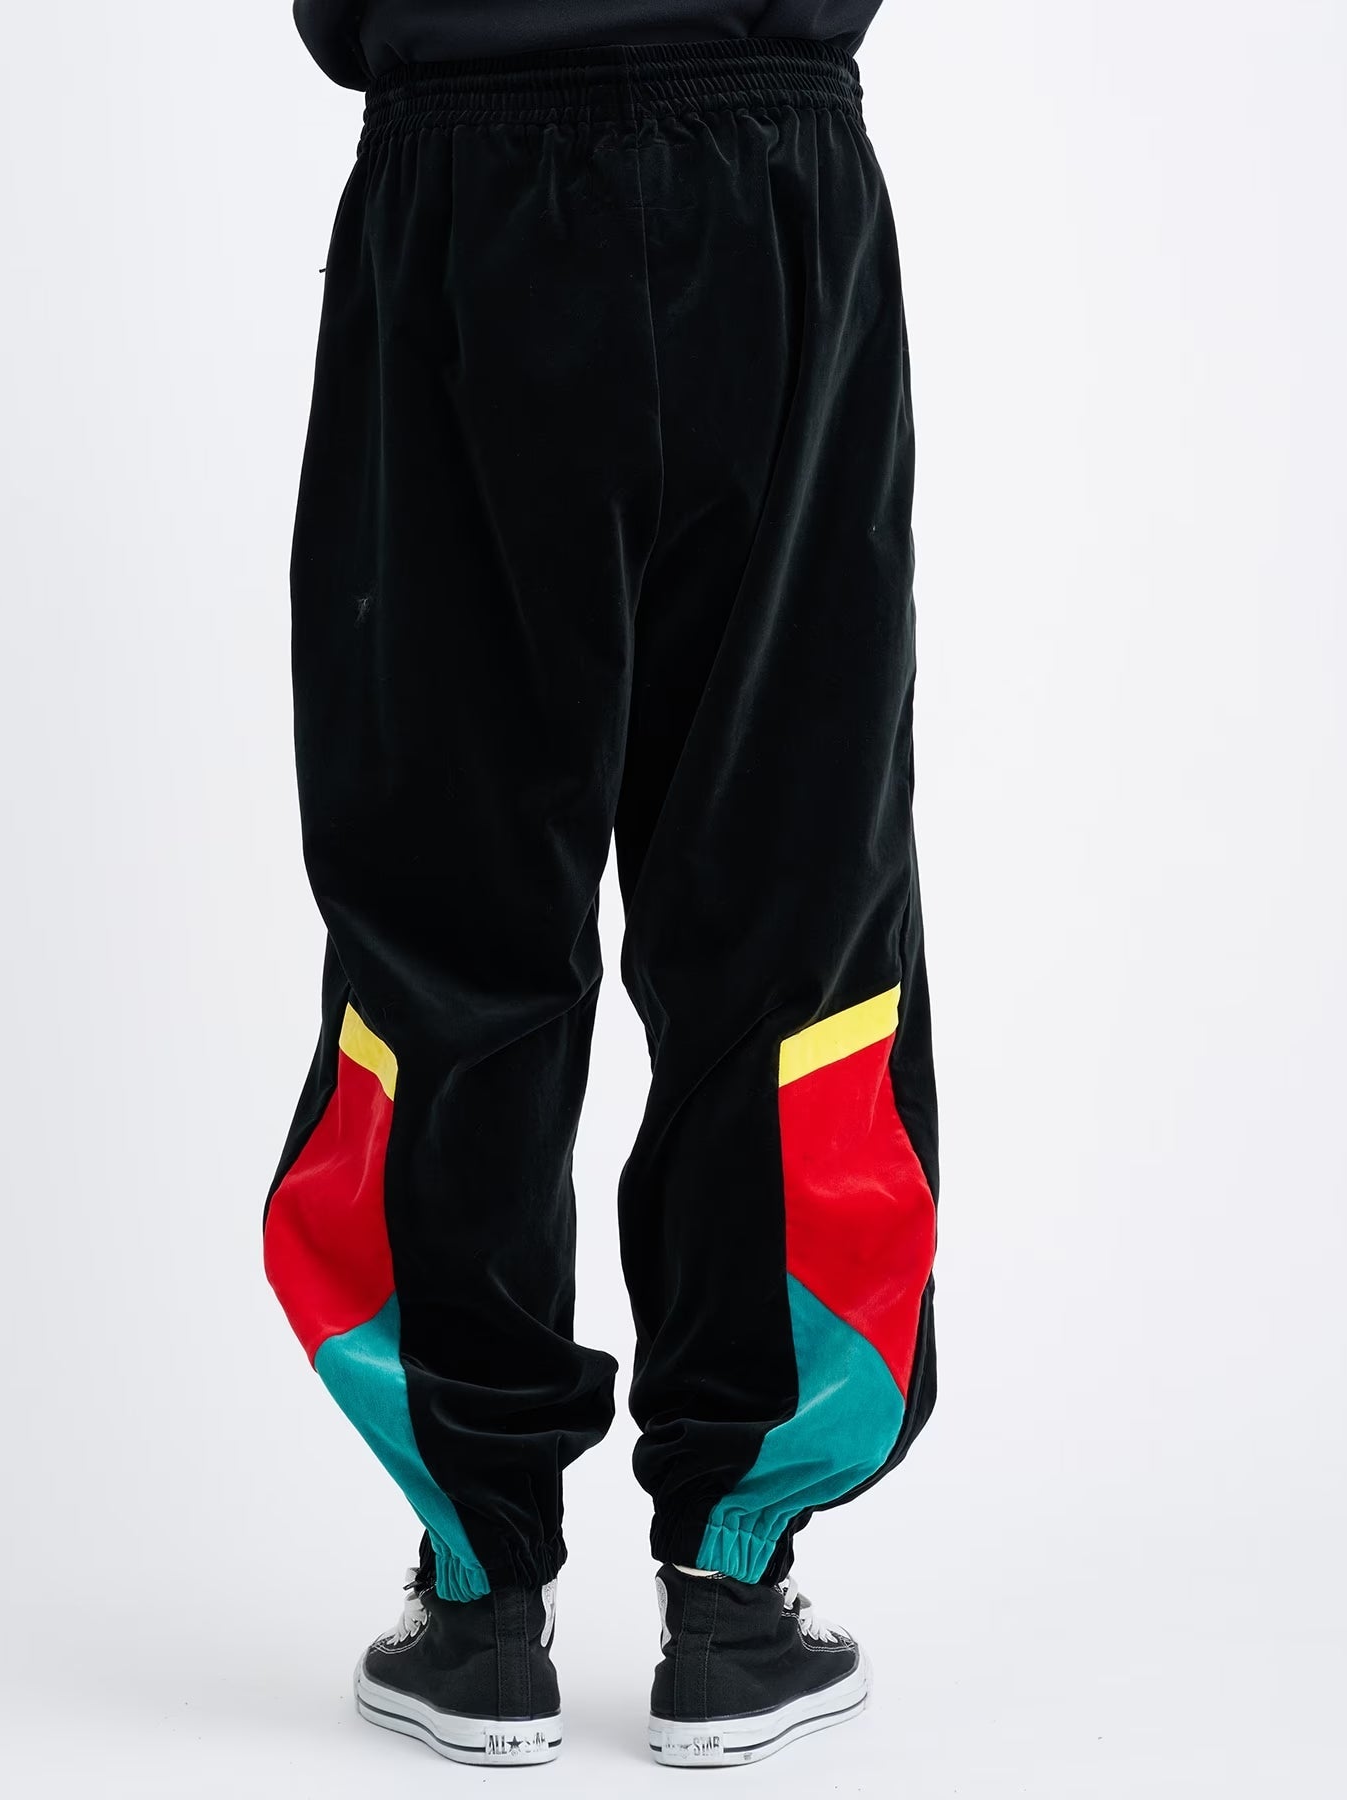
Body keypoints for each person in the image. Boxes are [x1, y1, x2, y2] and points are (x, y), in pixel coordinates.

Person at [265, 0, 939, 1768]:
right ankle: (734, 1596)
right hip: (772, 182)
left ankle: (482, 1596)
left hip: (468, 184)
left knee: (451, 906)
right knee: (787, 896)